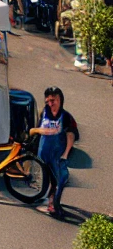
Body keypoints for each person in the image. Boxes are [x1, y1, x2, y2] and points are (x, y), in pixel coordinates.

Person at [33, 86, 78, 215]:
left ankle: (54, 204)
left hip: (57, 155)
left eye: (54, 100)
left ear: (60, 100)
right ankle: (50, 201)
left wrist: (65, 154)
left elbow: (71, 135)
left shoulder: (66, 117)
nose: (51, 103)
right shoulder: (44, 113)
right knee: (47, 179)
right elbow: (38, 130)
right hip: (43, 153)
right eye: (48, 101)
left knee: (60, 179)